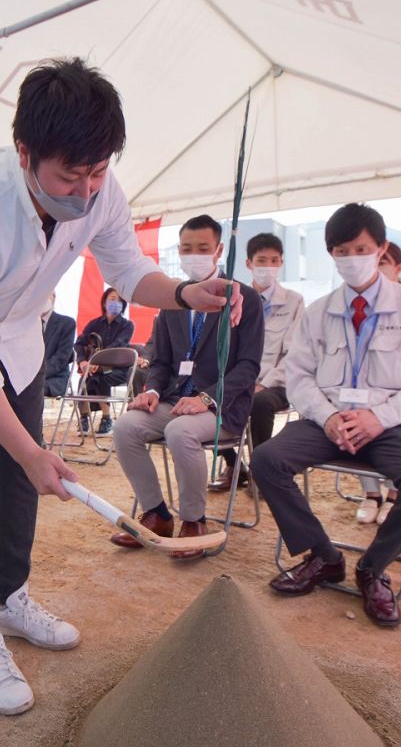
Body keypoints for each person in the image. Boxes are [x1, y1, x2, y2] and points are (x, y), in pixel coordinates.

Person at [0, 58, 242, 716]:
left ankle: (9, 595)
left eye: (97, 171)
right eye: (69, 175)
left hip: (16, 329)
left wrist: (190, 292)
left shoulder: (100, 186)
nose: (85, 191)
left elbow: (131, 271)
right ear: (25, 153)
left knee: (22, 474)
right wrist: (27, 449)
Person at [253, 203, 401, 627]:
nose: (351, 258)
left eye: (360, 248)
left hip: (390, 425)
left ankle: (373, 568)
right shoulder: (318, 312)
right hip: (328, 421)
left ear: (380, 248)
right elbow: (300, 376)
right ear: (331, 254)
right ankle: (324, 557)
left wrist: (379, 417)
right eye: (341, 251)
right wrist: (326, 417)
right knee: (267, 460)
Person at [110, 215, 263, 560]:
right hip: (175, 399)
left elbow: (249, 367)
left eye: (203, 249)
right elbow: (160, 360)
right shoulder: (173, 300)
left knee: (180, 432)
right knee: (125, 427)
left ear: (219, 250)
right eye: (187, 248)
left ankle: (194, 521)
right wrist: (150, 390)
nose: (194, 255)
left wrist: (207, 398)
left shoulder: (244, 299)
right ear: (178, 251)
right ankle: (157, 514)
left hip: (221, 406)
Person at [212, 232, 304, 491]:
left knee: (259, 402)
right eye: (262, 260)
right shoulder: (234, 298)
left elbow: (294, 354)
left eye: (274, 260)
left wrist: (265, 383)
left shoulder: (294, 301)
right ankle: (234, 463)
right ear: (249, 263)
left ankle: (261, 472)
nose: (268, 267)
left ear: (282, 263)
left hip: (277, 383)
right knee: (207, 396)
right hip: (241, 378)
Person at [355, 240, 401, 524]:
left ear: (398, 269)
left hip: (398, 401)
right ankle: (371, 494)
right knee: (352, 412)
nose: (374, 269)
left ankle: (395, 496)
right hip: (362, 394)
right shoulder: (356, 308)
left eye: (382, 262)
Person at [73, 287, 135, 434]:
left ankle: (104, 417)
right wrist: (82, 361)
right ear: (104, 303)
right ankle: (86, 417)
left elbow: (117, 345)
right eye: (113, 299)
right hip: (95, 367)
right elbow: (79, 343)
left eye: (120, 300)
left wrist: (96, 361)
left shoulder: (127, 325)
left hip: (117, 368)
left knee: (98, 376)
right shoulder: (94, 324)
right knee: (90, 376)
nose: (116, 303)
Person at [41, 293, 76, 398]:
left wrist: (38, 376)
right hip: (29, 378)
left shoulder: (66, 323)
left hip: (55, 377)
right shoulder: (28, 325)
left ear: (54, 297)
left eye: (47, 293)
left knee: (30, 390)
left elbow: (61, 359)